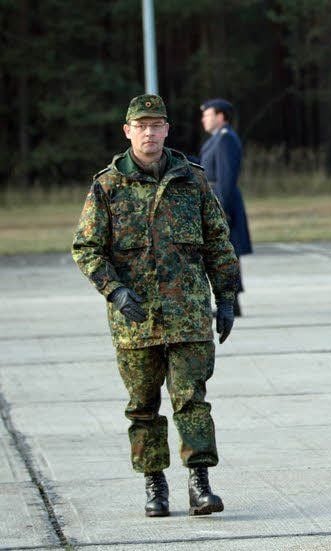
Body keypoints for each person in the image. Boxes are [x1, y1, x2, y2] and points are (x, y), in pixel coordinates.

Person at [72, 94, 239, 517]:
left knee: (192, 401)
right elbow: (87, 249)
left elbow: (219, 242)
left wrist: (226, 298)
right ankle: (154, 483)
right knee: (143, 407)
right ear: (127, 132)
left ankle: (200, 483)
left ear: (167, 130)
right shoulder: (107, 186)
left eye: (156, 125)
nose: (149, 133)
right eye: (141, 126)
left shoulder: (192, 180)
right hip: (135, 321)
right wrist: (114, 290)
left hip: (188, 316)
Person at [199, 98, 252, 316]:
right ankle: (230, 302)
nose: (204, 119)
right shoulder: (217, 139)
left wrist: (221, 210)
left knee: (227, 254)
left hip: (223, 201)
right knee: (222, 254)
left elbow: (226, 178)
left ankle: (231, 303)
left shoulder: (225, 139)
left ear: (221, 117)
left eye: (208, 115)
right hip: (216, 197)